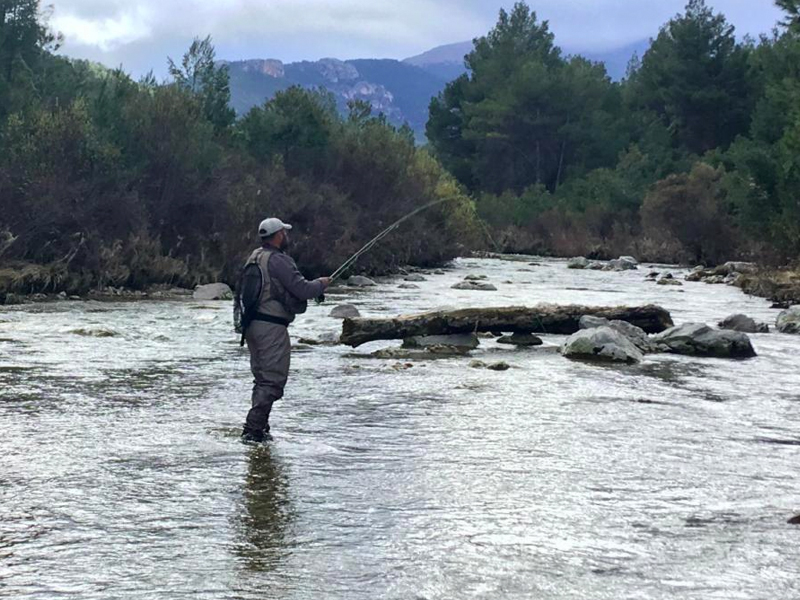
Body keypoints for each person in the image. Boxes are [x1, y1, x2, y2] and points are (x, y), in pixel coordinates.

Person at [236, 217, 331, 443]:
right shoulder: (279, 261)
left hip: (252, 327)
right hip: (271, 327)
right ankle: (253, 431)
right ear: (278, 235)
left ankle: (261, 428)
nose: (287, 236)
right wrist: (322, 283)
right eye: (284, 233)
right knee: (272, 380)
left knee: (261, 379)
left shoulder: (255, 256)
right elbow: (302, 289)